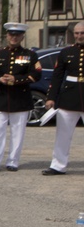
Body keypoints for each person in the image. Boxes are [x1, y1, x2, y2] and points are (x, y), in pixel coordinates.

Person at [0, 23, 40, 173]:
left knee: (18, 132)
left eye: (17, 35)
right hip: (1, 97)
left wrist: (16, 79)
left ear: (22, 37)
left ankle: (13, 161)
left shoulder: (30, 55)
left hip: (20, 99)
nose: (14, 37)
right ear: (7, 36)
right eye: (11, 34)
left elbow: (36, 75)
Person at [42, 21, 84, 175]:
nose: (79, 36)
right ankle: (58, 165)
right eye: (77, 33)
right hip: (69, 96)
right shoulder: (66, 52)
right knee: (63, 134)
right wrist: (51, 97)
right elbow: (57, 76)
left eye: (82, 33)